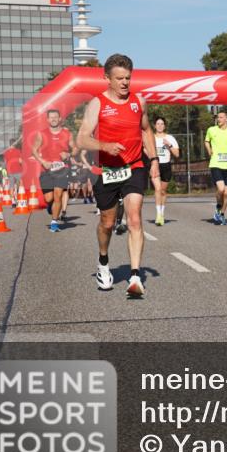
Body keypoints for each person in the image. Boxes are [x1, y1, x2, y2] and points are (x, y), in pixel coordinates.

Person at [76, 53, 160, 297]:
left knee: (134, 218)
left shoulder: (139, 102)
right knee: (108, 223)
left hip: (134, 166)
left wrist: (153, 159)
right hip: (109, 170)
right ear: (107, 79)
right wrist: (104, 146)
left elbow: (146, 131)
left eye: (128, 78)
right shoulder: (98, 103)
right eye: (119, 78)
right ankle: (103, 262)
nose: (124, 83)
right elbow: (81, 138)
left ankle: (135, 277)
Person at [33, 109, 77, 232]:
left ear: (60, 119)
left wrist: (68, 155)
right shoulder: (41, 134)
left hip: (62, 169)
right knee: (49, 198)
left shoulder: (67, 133)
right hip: (46, 169)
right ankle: (50, 207)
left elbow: (75, 148)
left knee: (58, 195)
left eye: (55, 117)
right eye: (51, 117)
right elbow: (34, 150)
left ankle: (54, 222)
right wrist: (43, 162)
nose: (53, 119)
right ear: (47, 120)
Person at [204, 110, 227, 225]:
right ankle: (218, 206)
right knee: (220, 189)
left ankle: (222, 213)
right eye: (218, 117)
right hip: (216, 164)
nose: (219, 119)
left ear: (226, 119)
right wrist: (209, 150)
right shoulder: (211, 130)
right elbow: (206, 141)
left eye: (221, 117)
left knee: (226, 192)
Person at [152, 117, 179, 226]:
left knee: (163, 191)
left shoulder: (170, 138)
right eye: (158, 124)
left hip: (166, 166)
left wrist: (169, 145)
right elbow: (144, 149)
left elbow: (177, 154)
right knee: (158, 189)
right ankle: (158, 215)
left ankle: (162, 213)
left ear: (165, 126)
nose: (159, 126)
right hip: (155, 166)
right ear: (155, 126)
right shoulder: (151, 138)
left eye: (162, 124)